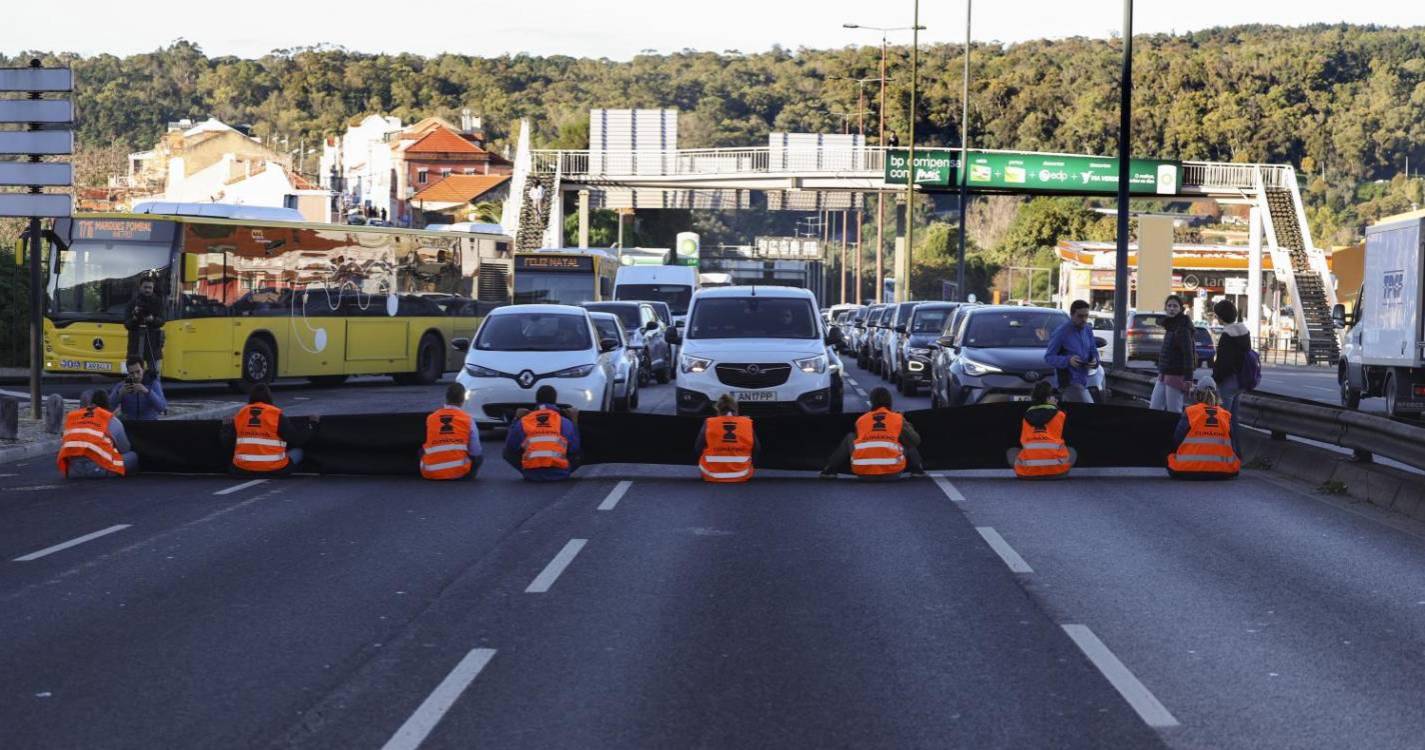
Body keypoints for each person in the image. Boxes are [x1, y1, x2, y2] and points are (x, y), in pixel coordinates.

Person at [820, 387, 924, 479]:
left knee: (850, 437)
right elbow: (916, 440)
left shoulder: (861, 420)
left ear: (872, 402)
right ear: (890, 401)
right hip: (893, 473)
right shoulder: (897, 418)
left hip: (863, 473)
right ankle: (917, 470)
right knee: (907, 438)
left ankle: (829, 470)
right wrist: (904, 423)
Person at [222, 384, 318, 475]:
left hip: (242, 470)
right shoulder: (275, 415)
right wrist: (312, 424)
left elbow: (227, 442)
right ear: (269, 397)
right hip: (276, 469)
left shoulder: (240, 414)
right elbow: (297, 439)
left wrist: (226, 426)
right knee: (298, 452)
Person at [503, 385, 581, 481]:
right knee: (576, 448)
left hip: (531, 474)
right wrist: (574, 421)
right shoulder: (563, 421)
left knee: (506, 452)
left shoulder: (525, 421)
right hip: (560, 473)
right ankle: (563, 468)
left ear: (537, 401)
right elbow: (575, 448)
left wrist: (516, 419)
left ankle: (529, 469)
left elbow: (510, 446)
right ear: (555, 400)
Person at [1168, 379, 1241, 479]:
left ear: (1197, 394)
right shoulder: (1225, 415)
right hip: (1224, 471)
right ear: (1217, 395)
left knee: (1170, 457)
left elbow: (1176, 440)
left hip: (1188, 469)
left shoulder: (1190, 412)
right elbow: (1234, 446)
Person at [57, 390, 136, 478]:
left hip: (75, 468)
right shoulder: (111, 420)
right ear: (107, 405)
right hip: (99, 469)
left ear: (91, 403)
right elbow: (125, 448)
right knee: (133, 456)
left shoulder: (73, 416)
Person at [1211, 299, 1253, 458]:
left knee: (1222, 419)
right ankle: (1236, 453)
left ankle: (1223, 454)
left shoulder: (1227, 335)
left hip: (1227, 382)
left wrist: (1216, 378)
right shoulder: (1244, 332)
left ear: (1221, 317)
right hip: (1240, 380)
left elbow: (1224, 362)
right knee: (1233, 419)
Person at [1007, 381, 1076, 479]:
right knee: (1072, 450)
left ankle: (1030, 469)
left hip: (1027, 473)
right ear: (1049, 398)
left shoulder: (1025, 417)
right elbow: (1067, 438)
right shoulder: (1060, 415)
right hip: (1057, 472)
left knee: (1011, 451)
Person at [421, 382, 482, 480]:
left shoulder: (431, 418)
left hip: (430, 472)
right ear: (462, 400)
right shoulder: (467, 419)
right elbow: (476, 450)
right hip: (459, 472)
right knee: (479, 456)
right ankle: (469, 476)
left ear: (446, 398)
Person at [1043, 299, 1099, 404]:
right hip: (1068, 382)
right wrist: (1068, 360)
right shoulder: (1061, 332)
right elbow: (1048, 357)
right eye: (1080, 316)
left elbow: (1093, 350)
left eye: (1086, 316)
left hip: (1084, 381)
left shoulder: (1088, 330)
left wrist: (1095, 360)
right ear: (1072, 315)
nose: (1084, 319)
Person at [694, 394, 759, 483]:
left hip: (710, 474)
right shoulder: (746, 423)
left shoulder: (709, 423)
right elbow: (757, 449)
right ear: (736, 409)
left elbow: (698, 448)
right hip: (742, 474)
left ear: (718, 410)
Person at [1149, 294, 1197, 413]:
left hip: (1176, 375)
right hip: (1164, 373)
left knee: (1173, 411)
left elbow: (1188, 354)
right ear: (1165, 308)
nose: (1171, 308)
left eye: (1175, 306)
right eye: (1169, 306)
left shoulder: (1182, 328)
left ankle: (1176, 431)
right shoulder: (1170, 325)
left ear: (1181, 309)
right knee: (1155, 407)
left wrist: (1188, 378)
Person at [125, 274, 165, 373]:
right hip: (135, 345)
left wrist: (152, 319)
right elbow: (127, 324)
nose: (147, 290)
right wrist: (135, 318)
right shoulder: (132, 303)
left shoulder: (158, 302)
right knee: (134, 375)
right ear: (140, 287)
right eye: (145, 287)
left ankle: (153, 388)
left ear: (153, 288)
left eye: (150, 288)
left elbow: (162, 321)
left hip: (153, 345)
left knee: (154, 375)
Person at [108, 357, 167, 421]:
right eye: (132, 373)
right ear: (128, 372)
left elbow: (162, 408)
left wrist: (147, 392)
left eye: (138, 372)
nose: (135, 376)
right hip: (129, 424)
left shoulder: (153, 384)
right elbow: (108, 409)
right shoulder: (122, 386)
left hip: (149, 423)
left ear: (143, 370)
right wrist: (119, 394)